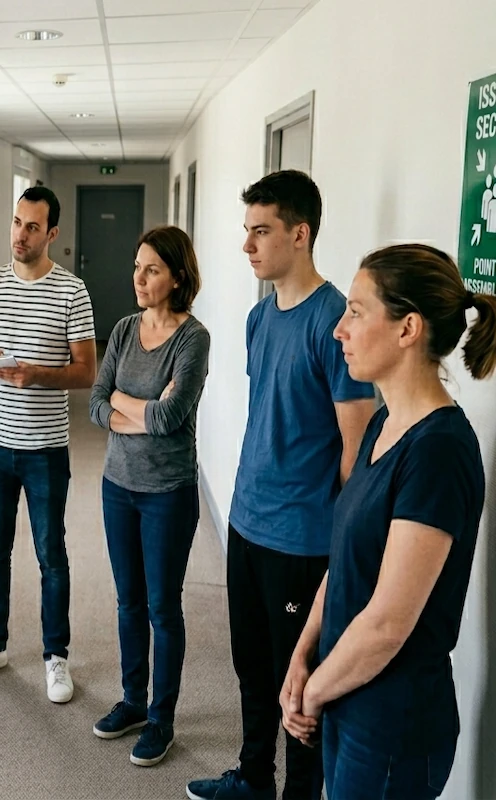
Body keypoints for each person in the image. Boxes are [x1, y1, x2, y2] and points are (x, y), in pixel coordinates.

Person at [280, 244, 495, 799]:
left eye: (356, 311)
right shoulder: (382, 425)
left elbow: (388, 624)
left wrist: (314, 691)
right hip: (347, 693)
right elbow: (345, 558)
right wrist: (303, 655)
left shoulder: (439, 451)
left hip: (393, 723)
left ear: (408, 330)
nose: (338, 330)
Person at [187, 170, 374, 800]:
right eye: (246, 231)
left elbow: (356, 449)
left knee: (298, 683)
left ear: (301, 233)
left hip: (302, 540)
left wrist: (339, 547)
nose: (248, 246)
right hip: (247, 521)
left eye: (260, 231)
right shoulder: (259, 317)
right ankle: (251, 777)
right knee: (251, 668)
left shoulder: (335, 323)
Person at [0, 186, 96, 703]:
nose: (20, 234)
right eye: (17, 223)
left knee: (49, 553)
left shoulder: (71, 291)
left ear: (51, 234)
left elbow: (87, 372)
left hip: (45, 448)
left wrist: (37, 374)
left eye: (33, 226)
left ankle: (56, 657)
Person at [90, 225, 209, 768]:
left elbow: (171, 417)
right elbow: (96, 404)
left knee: (163, 607)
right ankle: (134, 701)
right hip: (118, 488)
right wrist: (137, 407)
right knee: (127, 602)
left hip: (167, 493)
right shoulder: (121, 329)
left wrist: (126, 405)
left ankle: (162, 718)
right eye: (137, 267)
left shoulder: (192, 338)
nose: (138, 278)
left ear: (177, 277)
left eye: (152, 269)